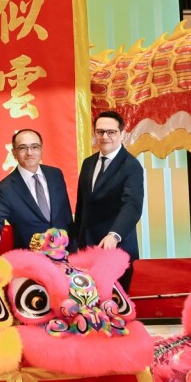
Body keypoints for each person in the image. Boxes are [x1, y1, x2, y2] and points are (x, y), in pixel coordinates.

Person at [72, 111, 144, 293]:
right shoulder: (88, 163)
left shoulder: (131, 166)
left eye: (111, 132)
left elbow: (132, 205)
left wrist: (115, 235)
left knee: (114, 306)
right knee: (87, 304)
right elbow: (82, 206)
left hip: (115, 246)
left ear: (121, 134)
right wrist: (75, 240)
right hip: (86, 247)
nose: (105, 137)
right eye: (100, 132)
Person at [0, 129, 71, 256]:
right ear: (14, 152)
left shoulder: (55, 175)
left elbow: (65, 215)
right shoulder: (5, 188)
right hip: (31, 259)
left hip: (65, 253)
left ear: (41, 149)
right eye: (23, 148)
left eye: (35, 147)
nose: (29, 153)